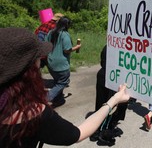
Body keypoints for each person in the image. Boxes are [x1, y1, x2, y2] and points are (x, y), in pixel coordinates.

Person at [0, 27, 130, 148]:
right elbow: (78, 134)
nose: (41, 61)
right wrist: (114, 100)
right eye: (38, 58)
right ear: (30, 69)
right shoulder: (31, 113)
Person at [88, 45, 128, 145]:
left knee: (101, 103)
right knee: (113, 105)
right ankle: (105, 131)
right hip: (115, 78)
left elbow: (102, 61)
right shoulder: (124, 48)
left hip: (104, 74)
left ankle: (98, 130)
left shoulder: (108, 46)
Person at [45, 16, 81, 107]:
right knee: (63, 82)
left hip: (51, 63)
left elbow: (45, 45)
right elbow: (67, 50)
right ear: (67, 25)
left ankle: (58, 100)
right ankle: (45, 99)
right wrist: (77, 47)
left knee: (57, 81)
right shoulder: (65, 35)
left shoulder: (50, 32)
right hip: (61, 65)